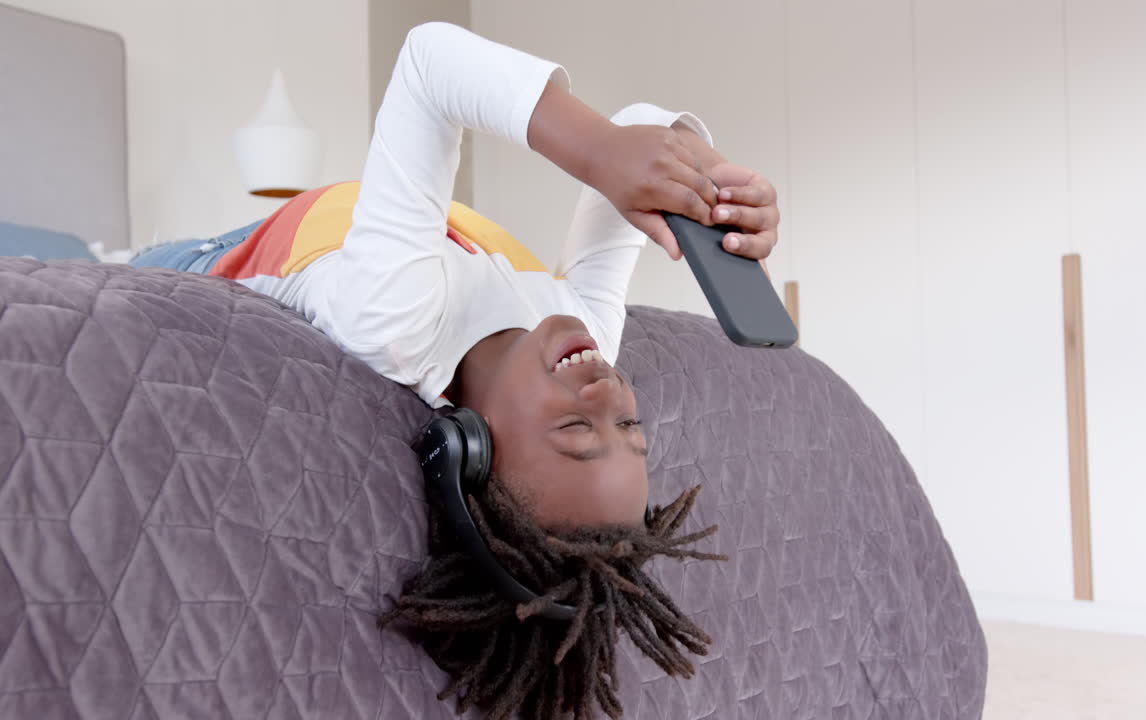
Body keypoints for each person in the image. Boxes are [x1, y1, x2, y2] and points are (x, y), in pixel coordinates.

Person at [132, 21, 780, 719]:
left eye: (575, 428)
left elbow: (429, 61)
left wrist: (595, 149)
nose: (607, 393)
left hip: (210, 257)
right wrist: (710, 187)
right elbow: (641, 132)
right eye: (630, 426)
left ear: (471, 445)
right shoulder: (587, 337)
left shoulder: (398, 321)